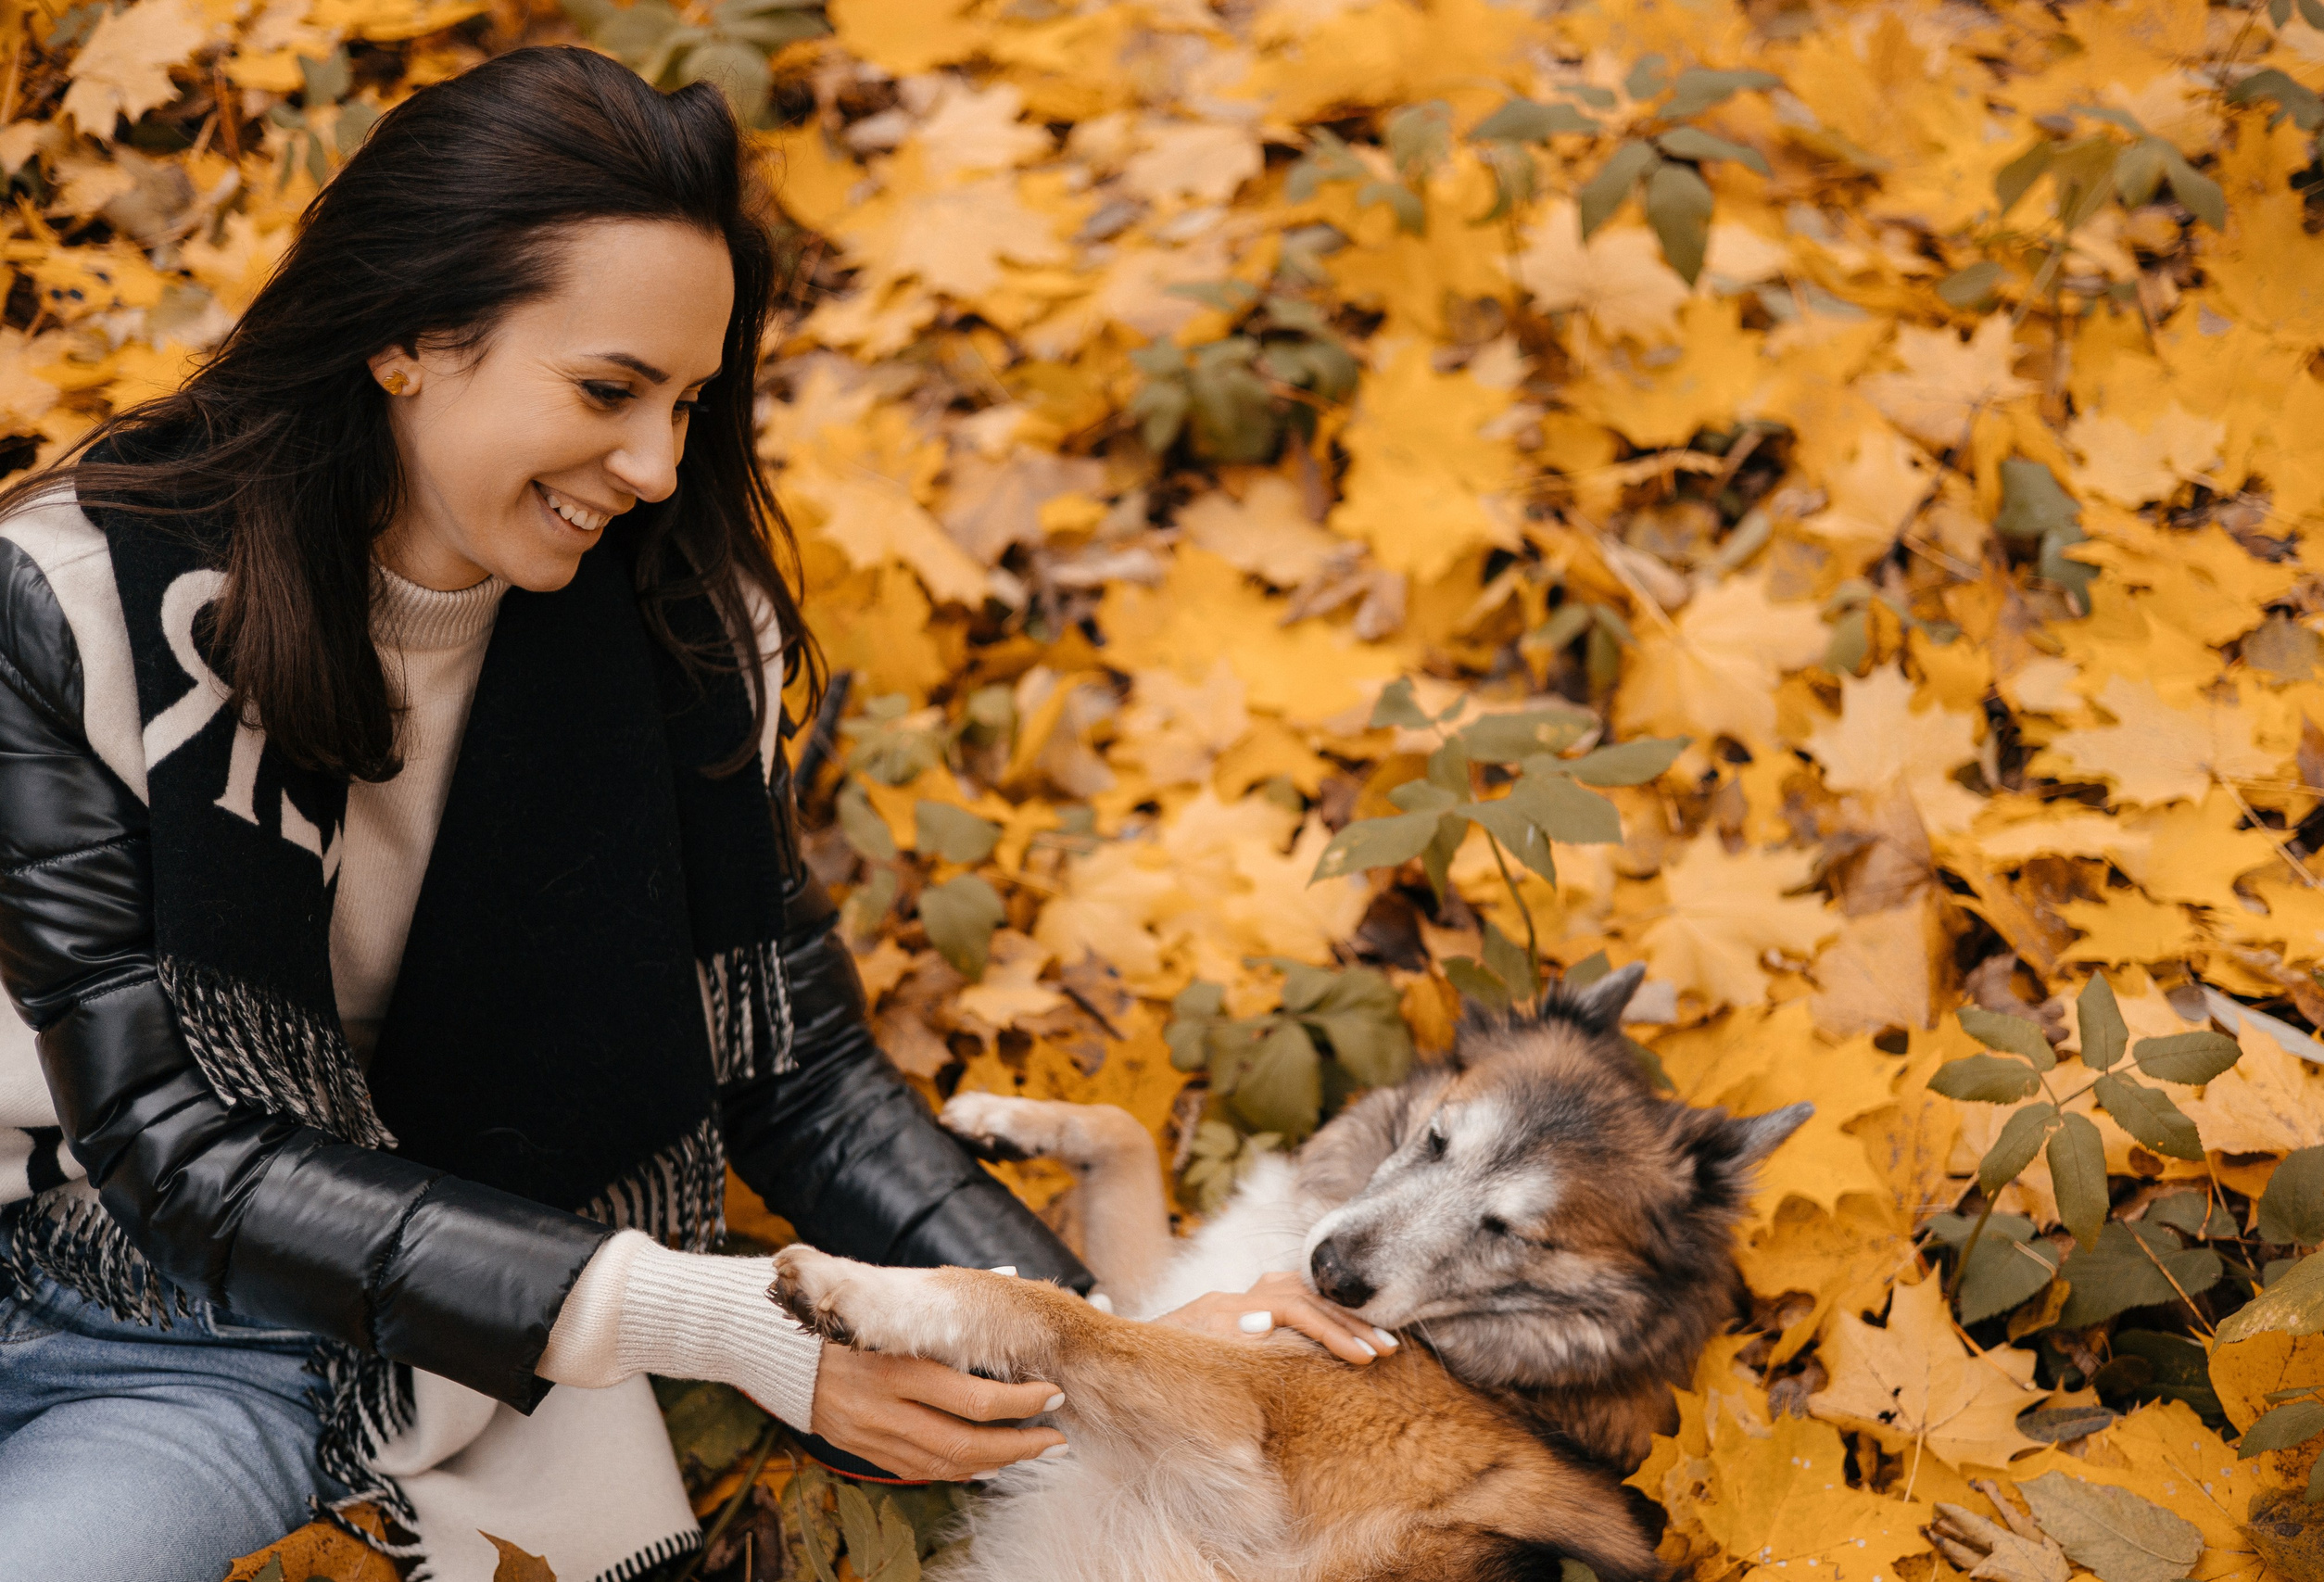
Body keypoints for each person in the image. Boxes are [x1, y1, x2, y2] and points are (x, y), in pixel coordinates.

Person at [0, 46, 1379, 1582]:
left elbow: (789, 1062)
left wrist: (1103, 1349)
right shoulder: (79, 603)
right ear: (406, 334)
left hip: (225, 1348)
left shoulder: (674, 637)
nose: (656, 466)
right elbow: (180, 1146)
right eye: (605, 391)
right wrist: (734, 1329)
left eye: (687, 403)